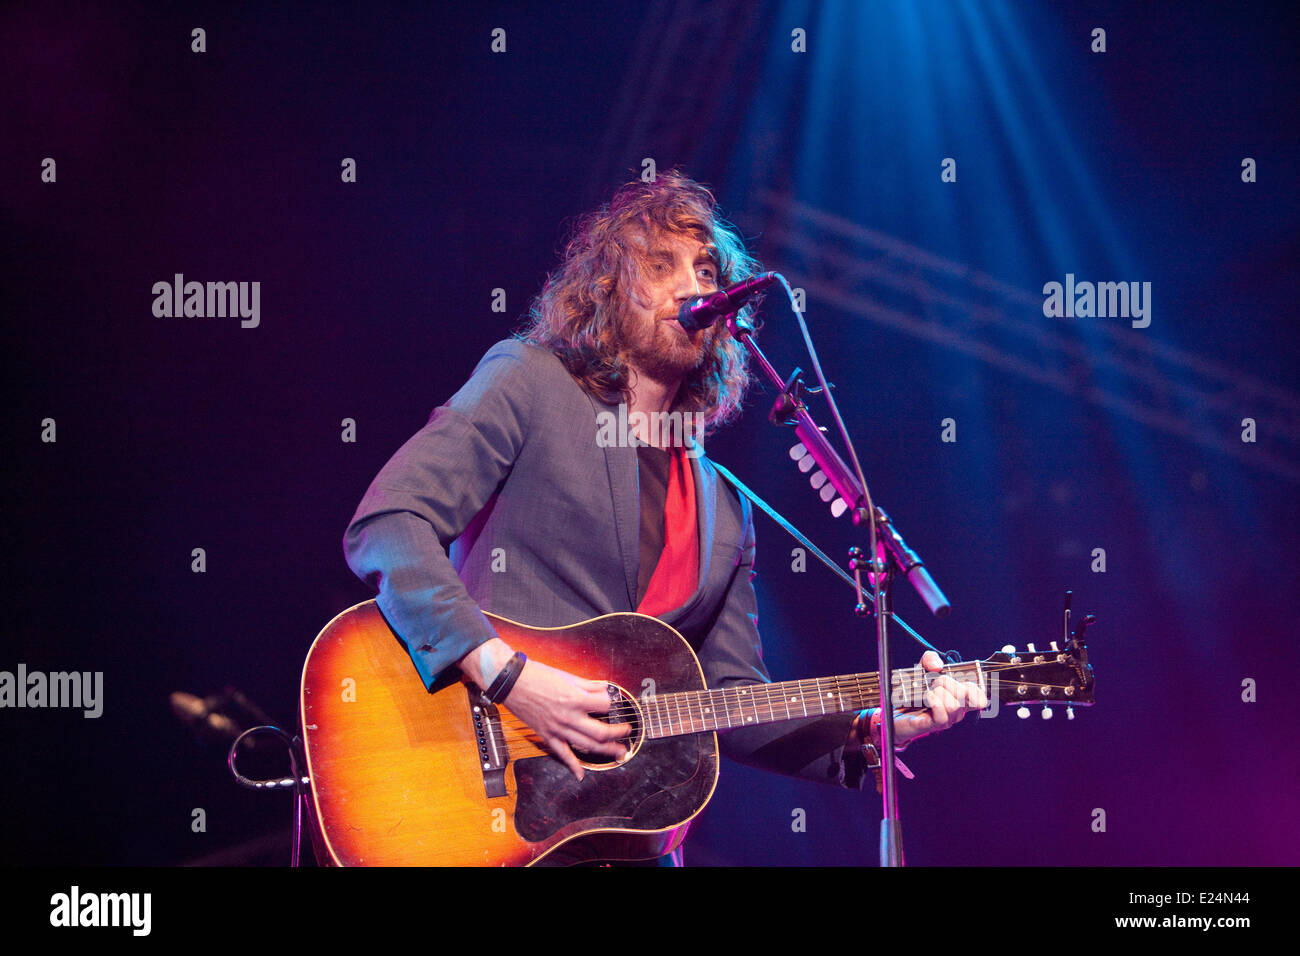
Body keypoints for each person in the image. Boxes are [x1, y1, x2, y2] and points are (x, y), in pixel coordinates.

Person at [342, 171, 987, 863]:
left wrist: (869, 728)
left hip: (626, 838)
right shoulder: (528, 381)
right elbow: (389, 520)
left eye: (706, 269)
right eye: (661, 266)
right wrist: (508, 676)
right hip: (479, 805)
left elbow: (734, 705)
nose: (693, 287)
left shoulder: (724, 506)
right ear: (611, 288)